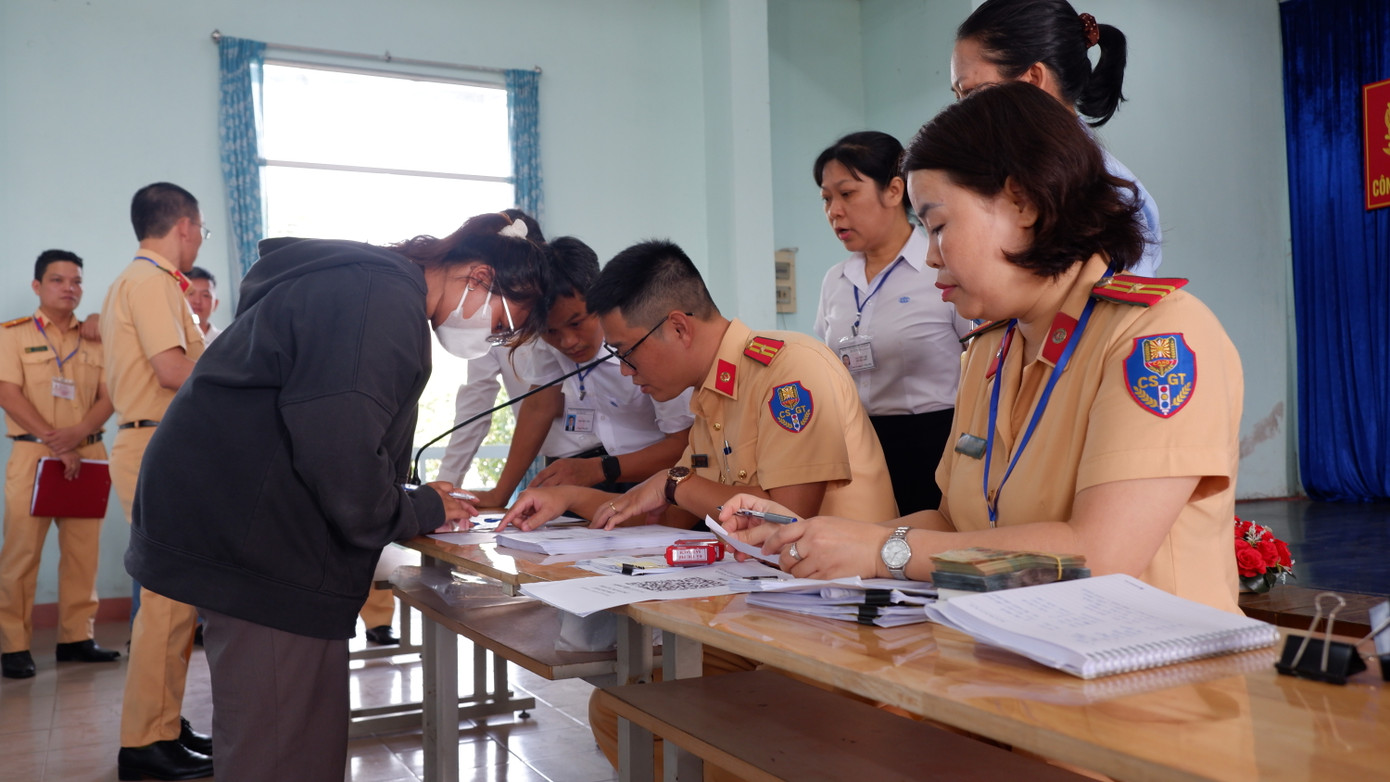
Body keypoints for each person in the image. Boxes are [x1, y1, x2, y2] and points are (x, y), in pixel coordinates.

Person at [722, 82, 1243, 617]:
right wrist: (819, 537)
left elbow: (1103, 554)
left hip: (1151, 659)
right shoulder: (992, 350)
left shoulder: (1154, 337)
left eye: (938, 226)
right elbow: (954, 526)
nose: (930, 257)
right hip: (1021, 650)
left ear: (1023, 203)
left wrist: (882, 550)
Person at [126, 211, 548, 782]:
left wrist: (405, 494)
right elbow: (341, 457)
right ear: (478, 276)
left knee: (289, 732)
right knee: (282, 750)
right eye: (501, 323)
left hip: (248, 525)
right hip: (262, 547)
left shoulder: (371, 286)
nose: (490, 339)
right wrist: (421, 507)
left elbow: (330, 428)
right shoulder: (381, 298)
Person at [502, 238, 897, 533]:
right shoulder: (709, 397)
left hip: (849, 596)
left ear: (678, 328)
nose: (624, 370)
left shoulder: (790, 370)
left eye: (627, 352)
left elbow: (785, 520)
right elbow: (666, 515)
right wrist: (567, 497)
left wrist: (674, 482)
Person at [101, 182, 213, 781]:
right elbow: (171, 369)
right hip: (154, 444)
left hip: (161, 444)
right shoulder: (149, 281)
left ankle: (165, 725)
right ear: (185, 226)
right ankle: (145, 742)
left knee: (176, 599)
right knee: (166, 601)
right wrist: (241, 376)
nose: (199, 241)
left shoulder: (152, 282)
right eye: (201, 231)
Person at [814, 131, 973, 514]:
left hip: (934, 444)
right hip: (857, 450)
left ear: (894, 190)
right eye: (826, 198)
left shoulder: (941, 268)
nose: (834, 211)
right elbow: (826, 370)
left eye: (847, 193)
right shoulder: (836, 280)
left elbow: (981, 360)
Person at [469, 236, 693, 507]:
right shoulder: (546, 343)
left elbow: (684, 446)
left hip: (660, 479)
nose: (567, 342)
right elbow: (538, 407)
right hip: (599, 471)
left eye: (576, 323)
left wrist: (600, 469)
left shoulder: (643, 340)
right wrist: (499, 494)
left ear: (598, 299)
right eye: (550, 331)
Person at [951, 0, 1163, 277]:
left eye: (970, 93)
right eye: (958, 97)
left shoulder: (1105, 191)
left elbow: (1116, 305)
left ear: (1033, 79)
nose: (961, 113)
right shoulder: (1003, 174)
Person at [0, 250, 118, 680]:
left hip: (88, 454)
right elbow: (7, 393)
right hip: (34, 454)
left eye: (76, 281)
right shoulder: (12, 334)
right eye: (57, 280)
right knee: (21, 555)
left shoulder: (97, 336)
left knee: (83, 554)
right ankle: (13, 645)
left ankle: (76, 638)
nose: (69, 288)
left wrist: (78, 434)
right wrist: (56, 441)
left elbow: (110, 394)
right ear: (37, 286)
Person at [183, 266, 220, 345]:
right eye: (190, 293)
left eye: (205, 295)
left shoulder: (226, 341)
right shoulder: (172, 339)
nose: (197, 301)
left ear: (215, 304)